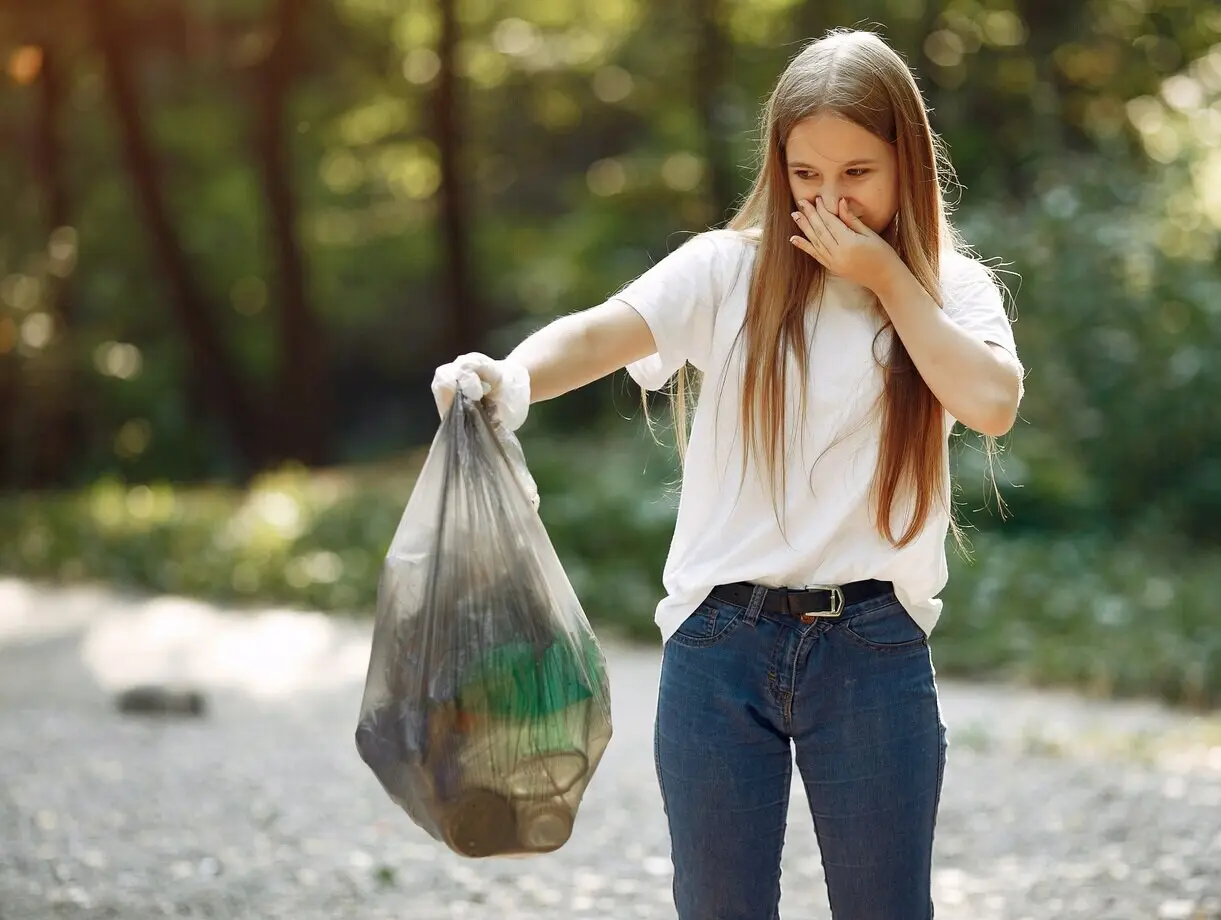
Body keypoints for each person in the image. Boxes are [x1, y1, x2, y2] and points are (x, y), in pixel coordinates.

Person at [431, 27, 1023, 920]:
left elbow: (992, 401)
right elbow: (602, 330)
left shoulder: (952, 287)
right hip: (718, 645)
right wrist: (508, 377)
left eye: (857, 174)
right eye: (806, 174)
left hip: (873, 646)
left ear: (908, 159)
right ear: (777, 165)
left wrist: (889, 280)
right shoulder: (725, 270)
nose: (830, 200)